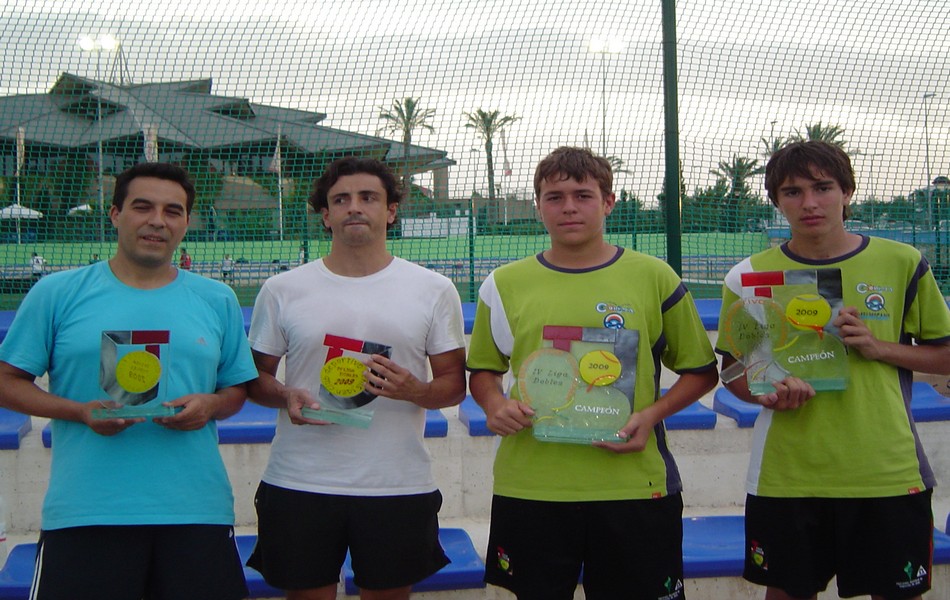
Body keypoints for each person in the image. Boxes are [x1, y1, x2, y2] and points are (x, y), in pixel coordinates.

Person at [467, 146, 718, 599]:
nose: (568, 207)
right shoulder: (503, 283)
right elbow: (484, 369)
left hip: (633, 486)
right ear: (539, 205)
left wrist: (650, 416)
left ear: (608, 202)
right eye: (554, 197)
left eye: (582, 195)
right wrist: (494, 403)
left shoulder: (654, 277)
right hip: (533, 488)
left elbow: (701, 371)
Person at [0, 162, 258, 600]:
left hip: (194, 510)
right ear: (116, 214)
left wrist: (211, 406)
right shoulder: (58, 293)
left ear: (186, 223)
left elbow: (235, 390)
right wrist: (79, 411)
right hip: (86, 511)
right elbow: (7, 380)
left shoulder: (217, 299)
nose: (158, 220)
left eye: (173, 211)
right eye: (143, 207)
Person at [716, 140, 950, 600]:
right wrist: (765, 393)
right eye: (792, 191)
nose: (809, 203)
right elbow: (733, 373)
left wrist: (879, 347)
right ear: (776, 200)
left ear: (847, 192)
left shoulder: (902, 262)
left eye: (822, 187)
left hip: (886, 469)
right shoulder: (747, 276)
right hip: (787, 475)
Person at [246, 157, 466, 600]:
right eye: (341, 200)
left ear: (391, 210)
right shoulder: (283, 290)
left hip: (396, 483)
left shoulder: (433, 289)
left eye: (368, 197)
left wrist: (416, 390)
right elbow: (254, 380)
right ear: (326, 215)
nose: (354, 207)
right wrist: (286, 395)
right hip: (300, 481)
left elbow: (452, 385)